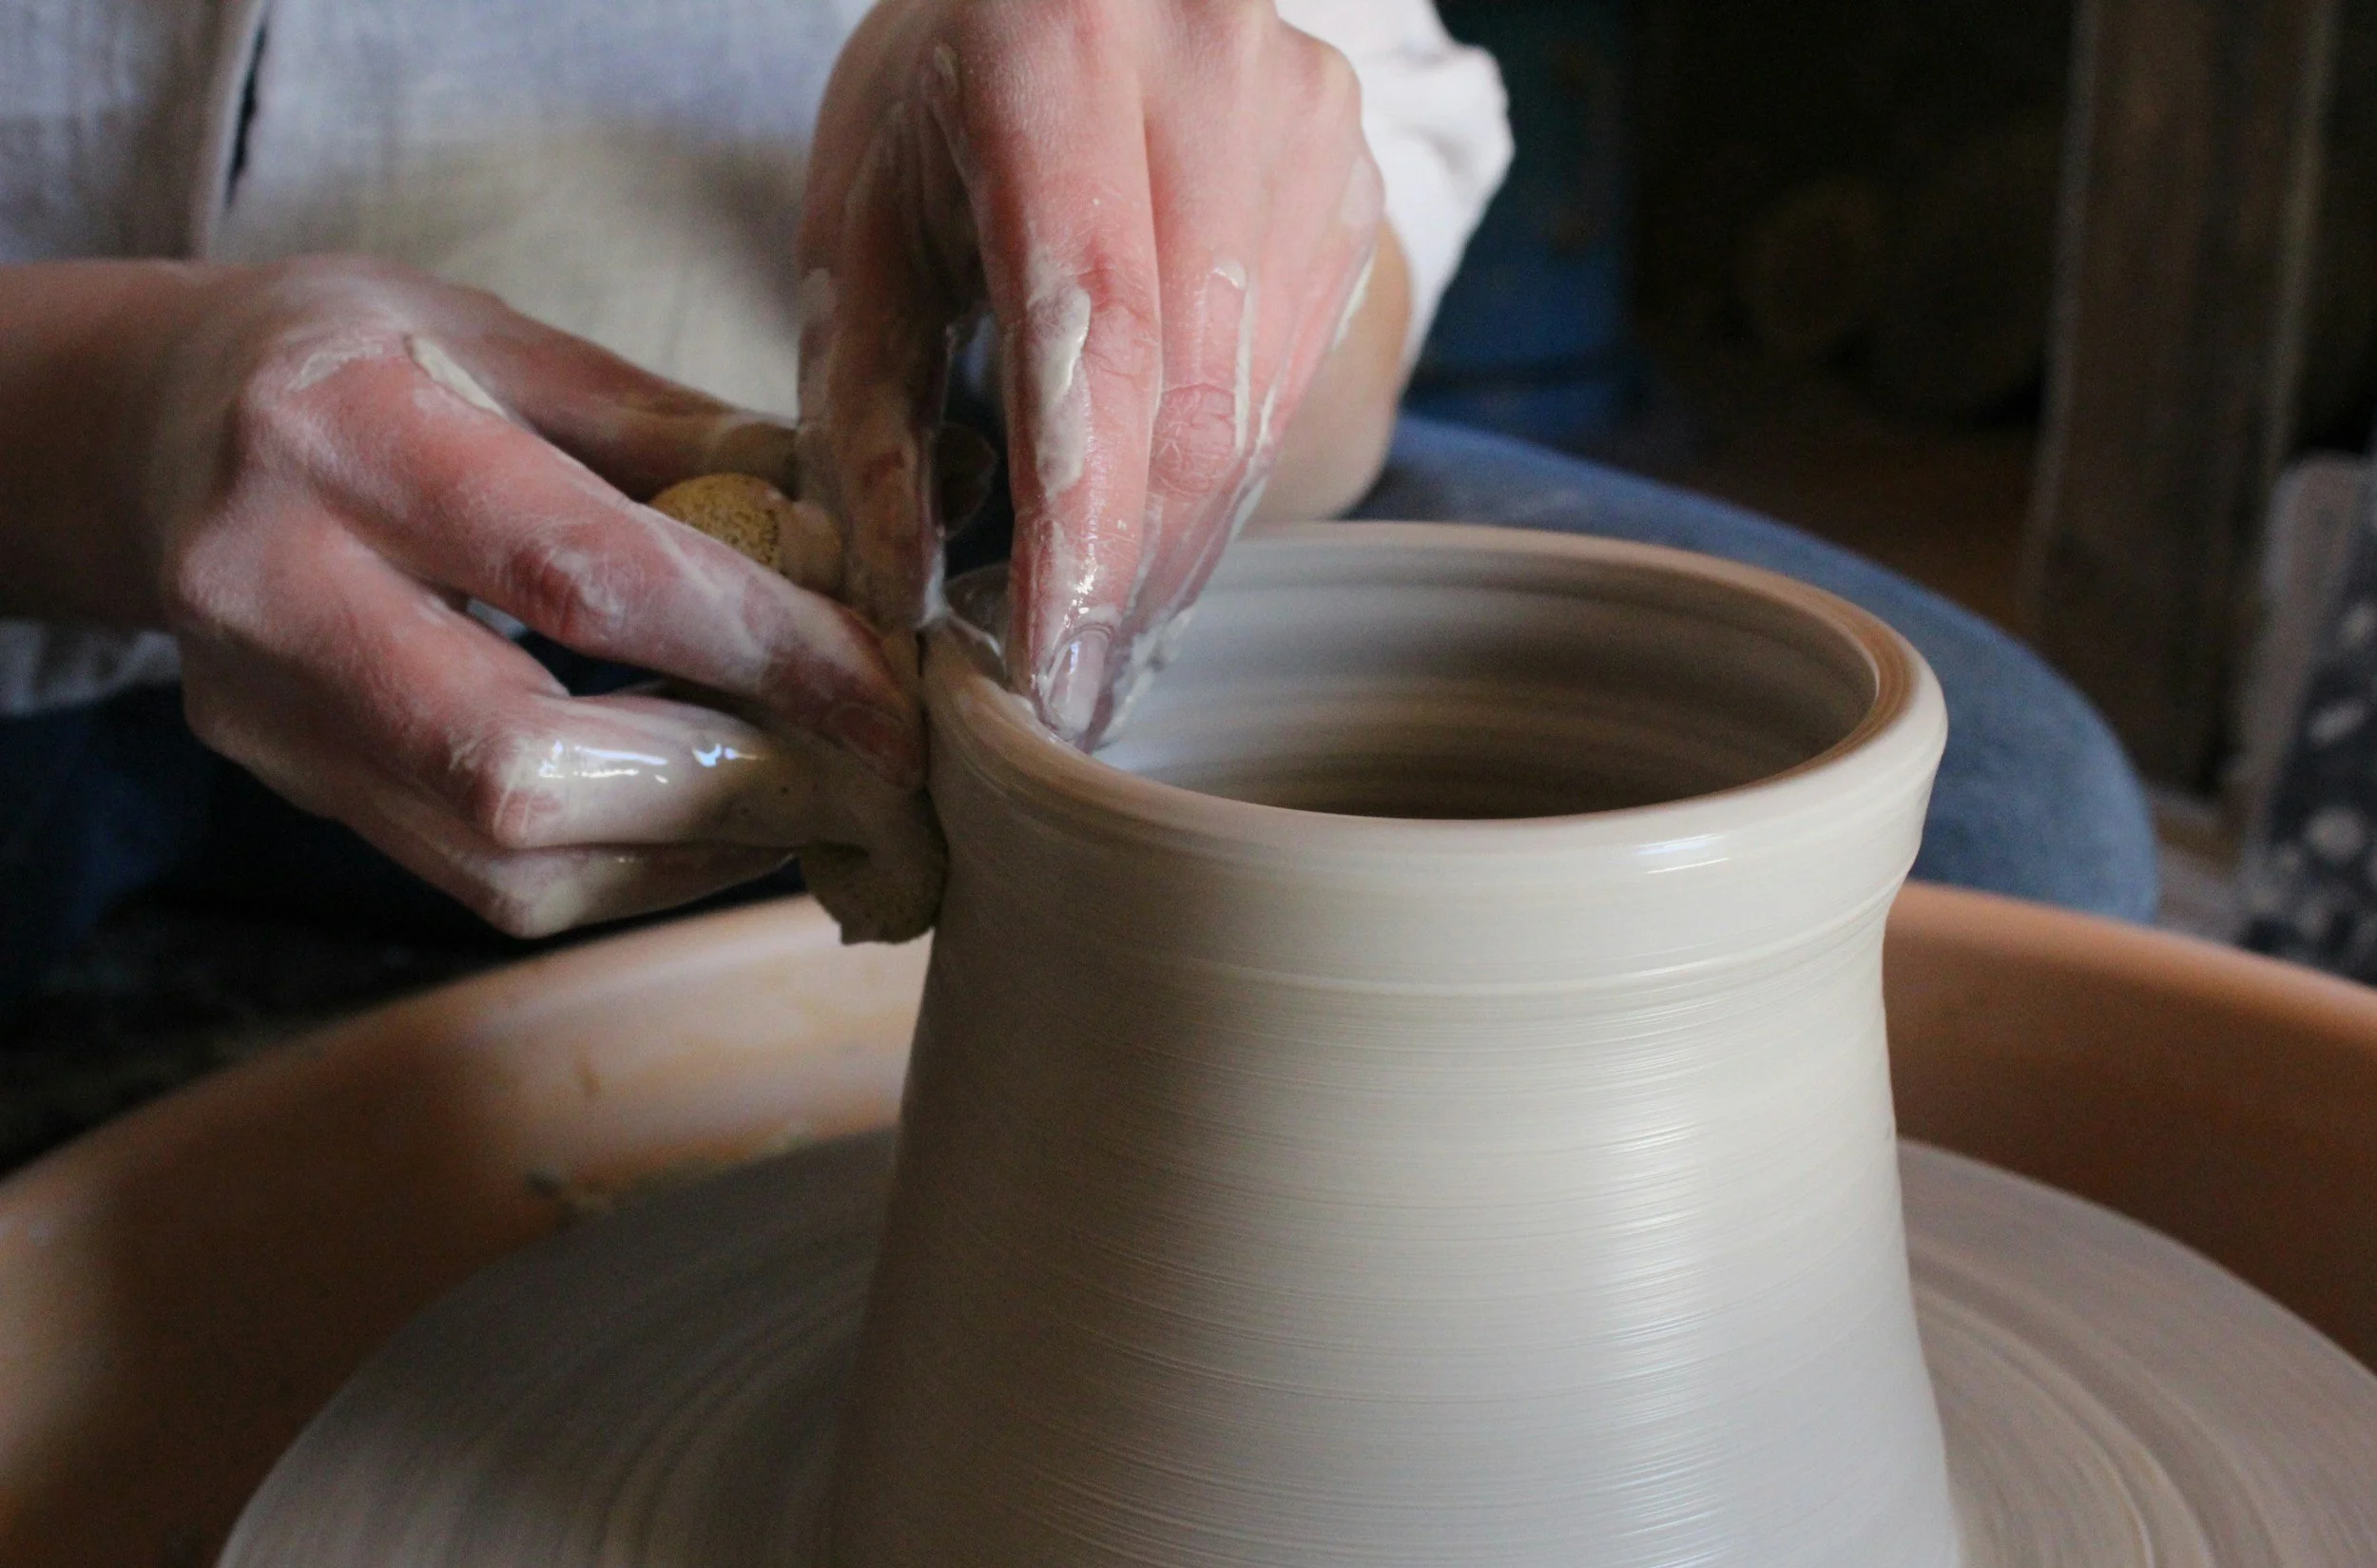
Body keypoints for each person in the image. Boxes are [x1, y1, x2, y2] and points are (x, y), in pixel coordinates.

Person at [0, 0, 2155, 1014]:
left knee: (1992, 842)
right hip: (57, 556)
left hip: (892, 503)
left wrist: (1176, 339)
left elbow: (1349, 128)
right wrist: (111, 418)